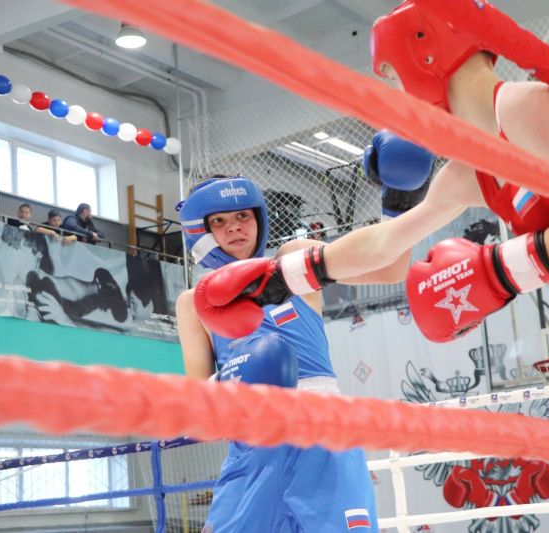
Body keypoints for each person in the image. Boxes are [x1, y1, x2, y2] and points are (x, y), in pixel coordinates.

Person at [191, 2, 549, 532]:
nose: (399, 100)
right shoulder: (474, 164)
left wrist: (493, 273)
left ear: (422, 57)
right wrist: (280, 277)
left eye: (394, 79)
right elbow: (386, 245)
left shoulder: (526, 105)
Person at [175, 172, 435, 533]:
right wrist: (233, 377)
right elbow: (200, 412)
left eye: (242, 216)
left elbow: (390, 268)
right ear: (200, 232)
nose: (234, 227)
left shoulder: (291, 262)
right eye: (218, 221)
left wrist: (400, 200)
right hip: (253, 446)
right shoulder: (193, 303)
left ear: (258, 217)